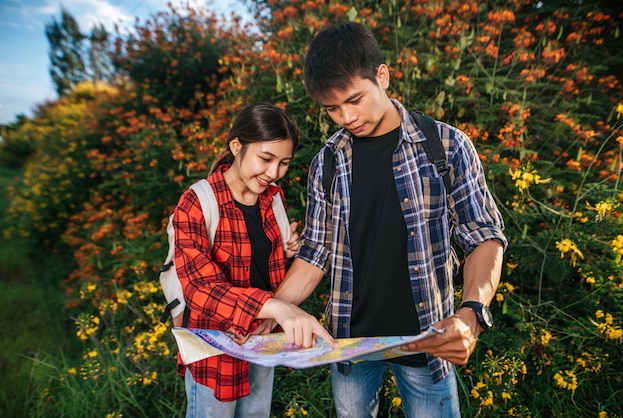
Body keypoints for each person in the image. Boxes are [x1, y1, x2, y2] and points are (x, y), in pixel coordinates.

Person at [273, 22, 508, 417]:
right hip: (349, 345)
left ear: (382, 76)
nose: (346, 116)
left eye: (354, 100)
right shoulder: (326, 163)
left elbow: (483, 236)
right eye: (332, 108)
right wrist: (268, 311)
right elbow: (314, 255)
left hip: (428, 341)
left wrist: (472, 313)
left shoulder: (446, 145)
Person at [173, 102, 335, 418]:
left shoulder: (273, 197)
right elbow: (199, 288)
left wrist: (287, 248)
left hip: (263, 338)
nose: (274, 173)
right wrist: (276, 306)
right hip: (215, 351)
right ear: (237, 146)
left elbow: (260, 259)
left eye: (283, 162)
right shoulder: (197, 202)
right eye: (265, 158)